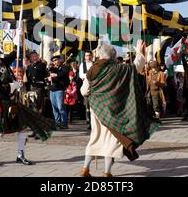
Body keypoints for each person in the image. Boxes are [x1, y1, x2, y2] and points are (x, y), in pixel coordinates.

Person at [80, 41, 158, 177]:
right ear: (113, 56)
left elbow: (83, 91)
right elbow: (136, 67)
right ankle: (107, 173)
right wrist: (140, 52)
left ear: (100, 55)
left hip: (97, 110)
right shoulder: (120, 68)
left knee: (95, 137)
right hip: (115, 112)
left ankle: (85, 170)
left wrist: (94, 96)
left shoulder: (93, 68)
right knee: (112, 141)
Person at [0, 48, 55, 167]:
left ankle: (20, 155)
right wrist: (13, 85)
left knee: (23, 128)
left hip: (14, 101)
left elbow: (13, 55)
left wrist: (18, 46)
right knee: (1, 132)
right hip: (2, 104)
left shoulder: (3, 62)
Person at [25, 51, 47, 139]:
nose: (34, 57)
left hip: (38, 88)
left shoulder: (41, 65)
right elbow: (27, 79)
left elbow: (36, 72)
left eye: (36, 56)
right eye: (32, 56)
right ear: (30, 58)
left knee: (38, 109)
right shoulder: (29, 67)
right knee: (32, 110)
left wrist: (28, 66)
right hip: (31, 89)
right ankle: (35, 130)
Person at [47, 55, 70, 129]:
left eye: (56, 60)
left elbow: (65, 73)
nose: (55, 62)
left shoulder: (63, 67)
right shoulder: (52, 68)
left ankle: (64, 123)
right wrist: (48, 78)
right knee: (54, 107)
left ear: (59, 60)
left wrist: (56, 75)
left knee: (60, 107)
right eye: (54, 61)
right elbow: (47, 75)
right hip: (52, 89)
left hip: (59, 89)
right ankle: (57, 122)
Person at [79, 51, 94, 128]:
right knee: (87, 105)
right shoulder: (82, 65)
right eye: (86, 56)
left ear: (91, 56)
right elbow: (81, 75)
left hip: (94, 86)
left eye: (89, 55)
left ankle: (93, 122)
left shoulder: (94, 64)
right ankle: (89, 121)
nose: (88, 57)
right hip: (86, 86)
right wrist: (89, 75)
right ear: (84, 57)